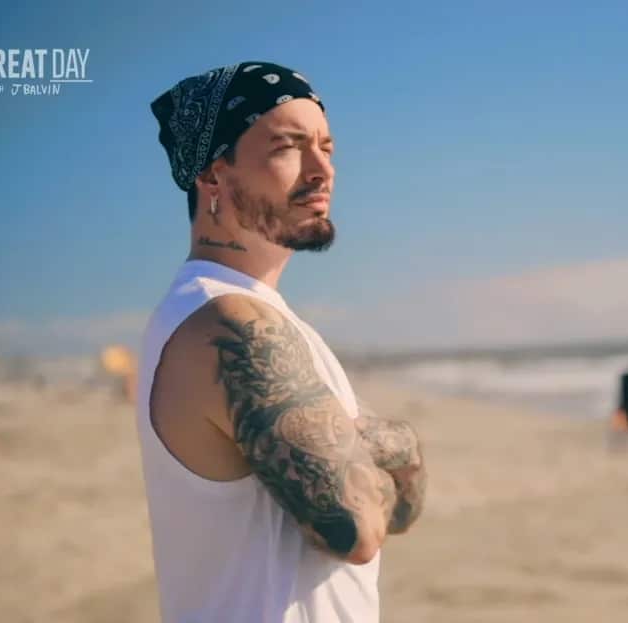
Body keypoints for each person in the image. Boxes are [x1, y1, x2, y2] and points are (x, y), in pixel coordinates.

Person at [140, 62, 427, 623]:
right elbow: (360, 526)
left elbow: (402, 509)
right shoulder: (229, 322)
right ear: (213, 176)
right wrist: (402, 448)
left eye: (326, 147)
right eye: (288, 147)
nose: (323, 170)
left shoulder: (266, 317)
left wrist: (372, 449)